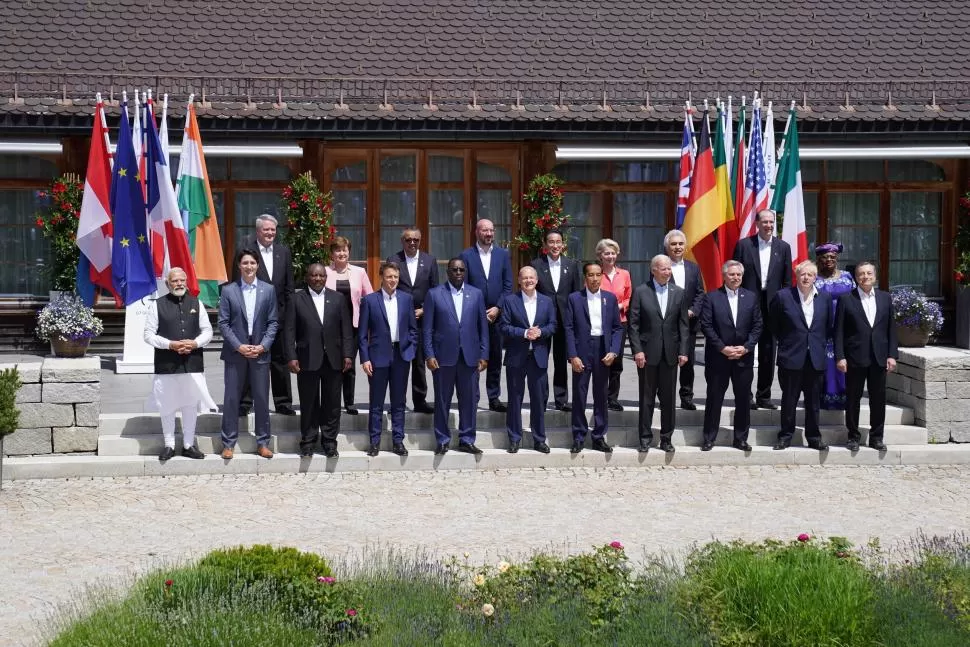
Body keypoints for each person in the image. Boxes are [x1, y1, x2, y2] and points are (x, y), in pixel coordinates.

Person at [143, 267, 218, 461]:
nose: (179, 284)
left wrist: (195, 343)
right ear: (168, 284)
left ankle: (188, 445)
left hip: (192, 363)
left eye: (182, 280)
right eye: (175, 281)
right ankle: (169, 445)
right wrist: (170, 345)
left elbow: (208, 331)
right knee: (166, 405)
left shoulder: (197, 303)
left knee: (190, 405)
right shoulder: (157, 305)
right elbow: (148, 335)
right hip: (167, 364)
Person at [285, 263, 354, 458]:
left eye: (321, 276)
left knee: (332, 403)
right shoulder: (296, 299)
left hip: (334, 359)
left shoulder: (338, 298)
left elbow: (346, 329)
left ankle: (329, 442)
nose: (317, 279)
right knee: (309, 403)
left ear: (326, 277)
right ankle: (308, 442)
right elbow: (289, 331)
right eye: (314, 275)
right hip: (307, 358)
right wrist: (291, 356)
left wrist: (348, 354)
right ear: (307, 277)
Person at [423, 257, 489, 455]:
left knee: (469, 401)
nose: (458, 273)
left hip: (470, 356)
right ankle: (442, 440)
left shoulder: (476, 294)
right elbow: (427, 329)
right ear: (448, 272)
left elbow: (483, 328)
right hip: (443, 357)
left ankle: (467, 439)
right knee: (442, 400)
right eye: (454, 270)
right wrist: (429, 354)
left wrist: (484, 354)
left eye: (461, 270)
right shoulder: (434, 294)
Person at [218, 248, 279, 460]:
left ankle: (263, 442)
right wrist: (238, 346)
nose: (249, 267)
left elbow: (273, 322)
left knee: (261, 398)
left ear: (257, 265)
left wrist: (263, 346)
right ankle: (228, 443)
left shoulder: (268, 290)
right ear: (239, 266)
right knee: (231, 398)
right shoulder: (228, 290)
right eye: (245, 263)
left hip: (260, 352)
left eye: (252, 263)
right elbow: (223, 323)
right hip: (236, 352)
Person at [628, 254, 690, 454]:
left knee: (668, 400)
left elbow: (683, 325)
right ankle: (645, 438)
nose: (667, 272)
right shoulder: (641, 291)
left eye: (669, 268)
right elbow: (633, 325)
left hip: (670, 355)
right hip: (647, 355)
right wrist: (637, 350)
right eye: (664, 269)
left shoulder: (678, 292)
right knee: (646, 399)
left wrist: (683, 351)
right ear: (653, 270)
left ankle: (666, 438)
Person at [699, 261, 763, 451]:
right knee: (714, 399)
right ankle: (709, 438)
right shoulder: (712, 297)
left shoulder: (751, 297)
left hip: (743, 357)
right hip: (718, 357)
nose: (735, 278)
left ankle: (741, 438)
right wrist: (722, 348)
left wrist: (746, 347)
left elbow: (758, 325)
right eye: (732, 274)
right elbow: (706, 325)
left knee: (743, 400)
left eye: (738, 275)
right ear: (724, 276)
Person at [732, 209, 793, 410]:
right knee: (746, 350)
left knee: (768, 352)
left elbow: (787, 281)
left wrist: (785, 306)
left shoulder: (783, 247)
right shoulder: (744, 245)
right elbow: (734, 275)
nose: (768, 225)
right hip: (748, 306)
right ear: (757, 224)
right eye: (764, 222)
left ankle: (764, 396)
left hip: (773, 307)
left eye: (771, 222)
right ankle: (745, 395)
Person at [835, 261, 898, 452]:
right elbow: (839, 331)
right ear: (856, 277)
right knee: (853, 399)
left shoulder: (885, 298)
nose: (865, 277)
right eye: (861, 274)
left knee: (878, 400)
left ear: (875, 276)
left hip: (879, 357)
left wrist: (892, 355)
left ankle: (877, 437)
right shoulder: (846, 299)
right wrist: (840, 356)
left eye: (869, 273)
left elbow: (891, 329)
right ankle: (853, 437)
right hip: (854, 357)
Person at [235, 214, 294, 416]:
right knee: (250, 359)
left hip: (279, 317)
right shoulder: (246, 251)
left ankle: (283, 403)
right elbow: (237, 284)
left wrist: (289, 315)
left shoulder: (283, 252)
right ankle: (245, 402)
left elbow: (289, 287)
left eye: (273, 230)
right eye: (266, 229)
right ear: (258, 231)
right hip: (253, 317)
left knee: (280, 361)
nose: (270, 233)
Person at [770, 260, 830, 451]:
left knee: (813, 402)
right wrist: (789, 342)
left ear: (815, 277)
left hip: (815, 358)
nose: (806, 278)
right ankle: (786, 436)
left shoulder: (825, 298)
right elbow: (774, 325)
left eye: (810, 274)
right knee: (789, 400)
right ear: (796, 276)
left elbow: (828, 326)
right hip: (791, 357)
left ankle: (814, 437)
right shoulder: (783, 296)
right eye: (802, 274)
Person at [359, 261, 418, 457]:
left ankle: (398, 441)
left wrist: (411, 349)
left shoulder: (407, 299)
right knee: (376, 402)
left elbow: (413, 329)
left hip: (401, 355)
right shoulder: (370, 300)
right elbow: (362, 334)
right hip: (378, 357)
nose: (392, 280)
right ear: (381, 278)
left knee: (398, 402)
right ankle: (374, 441)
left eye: (395, 277)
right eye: (389, 277)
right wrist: (365, 358)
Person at [564, 261, 623, 454]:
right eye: (591, 275)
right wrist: (573, 355)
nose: (595, 279)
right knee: (579, 395)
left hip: (603, 350)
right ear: (585, 277)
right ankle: (579, 436)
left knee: (601, 395)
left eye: (598, 274)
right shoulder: (574, 298)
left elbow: (617, 328)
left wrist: (614, 351)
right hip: (582, 350)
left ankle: (599, 436)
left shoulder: (610, 299)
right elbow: (569, 328)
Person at [499, 266, 557, 454]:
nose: (528, 281)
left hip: (538, 357)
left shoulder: (547, 301)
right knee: (515, 399)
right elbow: (504, 326)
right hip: (516, 357)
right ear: (519, 280)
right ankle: (514, 438)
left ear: (537, 280)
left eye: (531, 277)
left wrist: (541, 332)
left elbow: (553, 325)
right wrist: (524, 333)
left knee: (538, 400)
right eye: (524, 278)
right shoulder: (510, 301)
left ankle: (539, 439)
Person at [459, 219, 513, 412]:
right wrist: (478, 310)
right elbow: (463, 286)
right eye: (485, 230)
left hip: (497, 315)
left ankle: (494, 397)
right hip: (474, 315)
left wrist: (498, 307)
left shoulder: (502, 255)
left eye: (491, 230)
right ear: (476, 232)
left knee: (495, 357)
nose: (489, 234)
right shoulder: (466, 255)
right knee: (473, 356)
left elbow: (508, 285)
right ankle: (472, 397)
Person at [531, 229, 583, 411]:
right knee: (541, 360)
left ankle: (561, 400)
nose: (555, 245)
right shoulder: (536, 265)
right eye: (551, 242)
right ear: (545, 244)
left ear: (563, 244)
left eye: (558, 242)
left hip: (564, 319)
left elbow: (576, 294)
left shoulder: (572, 265)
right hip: (542, 320)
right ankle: (541, 399)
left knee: (561, 361)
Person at [387, 227, 438, 414]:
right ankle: (397, 402)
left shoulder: (429, 261)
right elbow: (389, 288)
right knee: (399, 364)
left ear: (420, 241)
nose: (412, 243)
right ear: (402, 241)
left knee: (419, 363)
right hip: (400, 319)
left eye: (416, 239)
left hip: (422, 319)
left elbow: (435, 290)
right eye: (408, 240)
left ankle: (420, 401)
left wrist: (425, 309)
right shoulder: (394, 260)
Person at [326, 236, 374, 415]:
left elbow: (369, 298)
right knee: (332, 365)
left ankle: (349, 402)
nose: (341, 253)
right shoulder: (325, 272)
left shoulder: (359, 272)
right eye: (338, 250)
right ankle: (332, 401)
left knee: (349, 365)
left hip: (353, 326)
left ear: (349, 252)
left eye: (344, 250)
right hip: (330, 327)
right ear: (332, 254)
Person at [664, 229, 706, 410]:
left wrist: (693, 310)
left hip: (689, 323)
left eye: (680, 244)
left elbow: (700, 293)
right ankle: (665, 397)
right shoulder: (661, 265)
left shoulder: (693, 268)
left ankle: (686, 397)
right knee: (667, 362)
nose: (677, 247)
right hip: (667, 323)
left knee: (687, 362)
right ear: (667, 247)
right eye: (673, 244)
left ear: (685, 246)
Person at [813, 242, 855, 410]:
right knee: (826, 364)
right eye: (825, 257)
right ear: (819, 259)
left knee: (843, 361)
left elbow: (855, 298)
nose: (829, 260)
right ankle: (823, 399)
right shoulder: (814, 278)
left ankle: (845, 399)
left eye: (832, 257)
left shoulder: (847, 276)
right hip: (823, 326)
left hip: (845, 326)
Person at [595, 238, 632, 412]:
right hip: (599, 322)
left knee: (616, 360)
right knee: (601, 360)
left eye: (613, 253)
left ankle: (613, 398)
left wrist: (621, 305)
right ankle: (600, 396)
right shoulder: (595, 273)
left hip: (619, 323)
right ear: (600, 256)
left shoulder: (624, 274)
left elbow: (629, 297)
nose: (610, 256)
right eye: (606, 253)